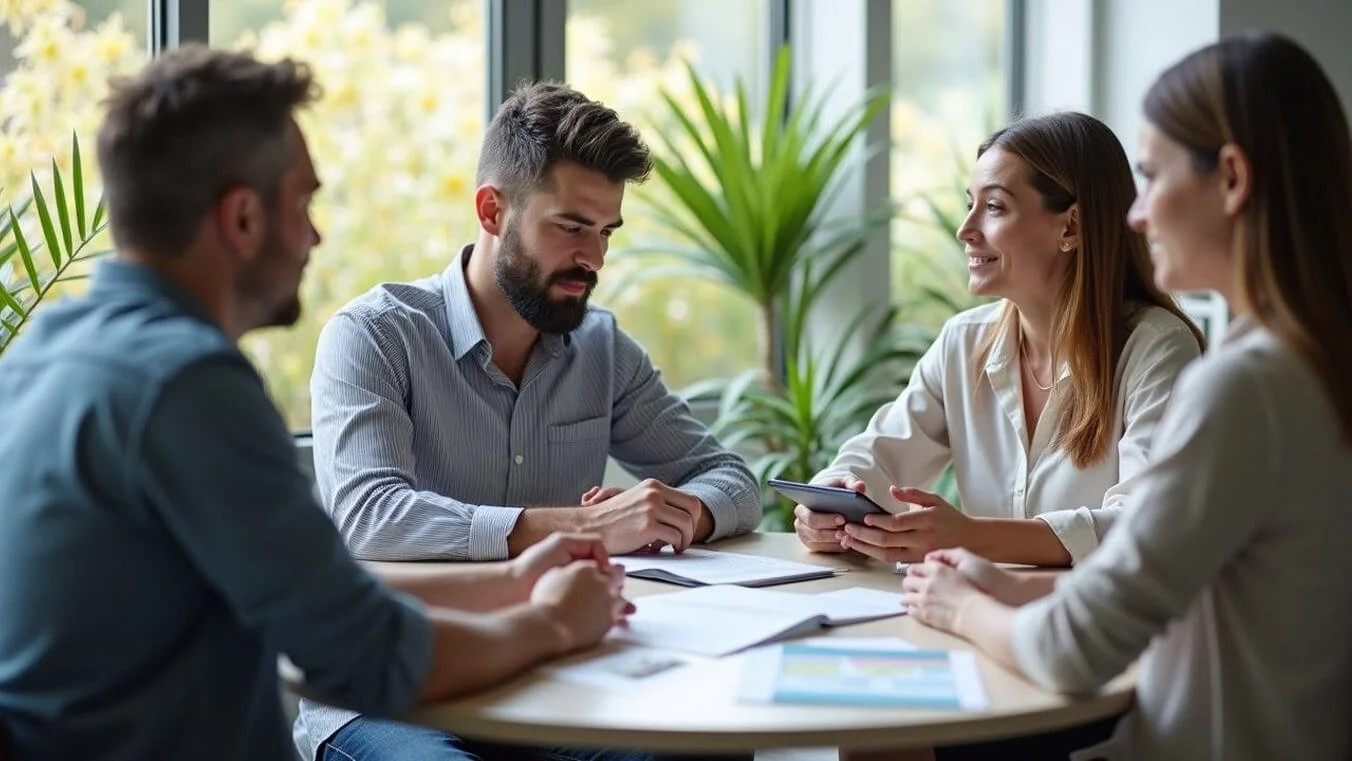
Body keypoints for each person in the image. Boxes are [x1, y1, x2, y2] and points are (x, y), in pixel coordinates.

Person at [0, 46, 628, 761]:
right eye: (302, 202)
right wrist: (551, 624)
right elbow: (365, 652)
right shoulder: (185, 385)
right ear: (241, 218)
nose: (315, 235)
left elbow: (315, 589)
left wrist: (513, 582)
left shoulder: (48, 352)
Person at [903, 32, 1352, 760]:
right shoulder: (1313, 363)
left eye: (1151, 176)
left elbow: (1073, 651)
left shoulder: (1244, 388)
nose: (1136, 215)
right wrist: (1008, 588)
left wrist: (963, 606)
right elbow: (1172, 585)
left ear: (1231, 178)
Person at [298, 82, 760, 759]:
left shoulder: (602, 350)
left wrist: (683, 510)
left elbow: (730, 476)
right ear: (493, 210)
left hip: (559, 675)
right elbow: (369, 515)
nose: (595, 260)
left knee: (706, 748)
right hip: (394, 688)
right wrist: (577, 526)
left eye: (606, 233)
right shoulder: (375, 335)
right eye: (572, 227)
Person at [796, 111, 1205, 567]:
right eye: (970, 204)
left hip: (1104, 632)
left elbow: (1147, 524)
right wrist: (831, 499)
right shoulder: (963, 343)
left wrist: (972, 537)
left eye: (993, 207)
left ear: (1070, 227)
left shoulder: (1158, 350)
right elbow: (879, 457)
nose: (965, 230)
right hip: (973, 615)